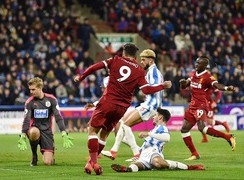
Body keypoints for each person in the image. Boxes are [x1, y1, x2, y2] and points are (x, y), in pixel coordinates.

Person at [74, 43, 172, 175]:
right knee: (104, 135)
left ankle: (95, 163)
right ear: (136, 56)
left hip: (108, 102)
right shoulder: (139, 70)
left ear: (123, 53)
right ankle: (91, 162)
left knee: (92, 131)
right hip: (121, 108)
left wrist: (81, 77)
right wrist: (163, 86)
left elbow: (95, 67)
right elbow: (147, 90)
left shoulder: (115, 60)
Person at [101, 49, 165, 162]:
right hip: (149, 104)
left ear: (151, 60)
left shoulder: (153, 72)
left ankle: (137, 153)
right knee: (123, 122)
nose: (142, 62)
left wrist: (143, 89)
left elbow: (152, 89)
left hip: (151, 105)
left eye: (144, 60)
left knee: (125, 124)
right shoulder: (151, 71)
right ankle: (114, 151)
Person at [111, 108, 205, 173]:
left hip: (154, 153)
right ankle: (128, 169)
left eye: (155, 115)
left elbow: (167, 138)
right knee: (136, 165)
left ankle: (189, 167)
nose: (153, 117)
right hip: (144, 155)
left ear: (160, 118)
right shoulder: (155, 129)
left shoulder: (162, 127)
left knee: (158, 163)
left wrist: (148, 134)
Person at [179, 56, 236, 160]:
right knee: (184, 129)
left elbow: (217, 85)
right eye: (196, 62)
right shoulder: (192, 74)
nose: (196, 64)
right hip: (192, 105)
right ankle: (195, 154)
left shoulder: (208, 77)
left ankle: (228, 137)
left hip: (201, 105)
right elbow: (185, 85)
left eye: (199, 63)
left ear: (205, 65)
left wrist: (227, 88)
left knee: (202, 128)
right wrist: (182, 84)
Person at [17, 77, 74, 166]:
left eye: (33, 89)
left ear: (40, 88)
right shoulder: (29, 102)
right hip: (35, 128)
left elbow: (58, 116)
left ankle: (50, 153)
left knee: (48, 162)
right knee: (33, 132)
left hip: (47, 131)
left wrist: (63, 132)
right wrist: (23, 134)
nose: (31, 92)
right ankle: (34, 156)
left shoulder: (51, 99)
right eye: (30, 89)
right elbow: (27, 119)